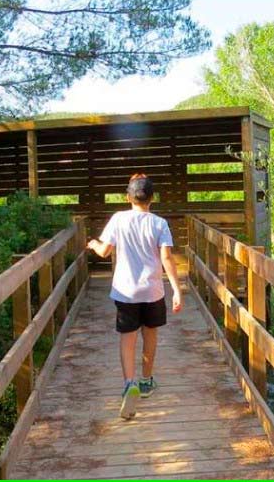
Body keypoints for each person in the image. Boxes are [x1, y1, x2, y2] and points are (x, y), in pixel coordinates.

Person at [86, 173, 184, 419]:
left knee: (127, 338)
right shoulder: (160, 223)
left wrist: (93, 244)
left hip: (125, 291)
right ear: (152, 198)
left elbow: (104, 251)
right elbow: (166, 258)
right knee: (150, 335)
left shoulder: (118, 219)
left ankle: (129, 383)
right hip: (152, 291)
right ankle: (146, 381)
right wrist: (176, 289)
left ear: (127, 198)